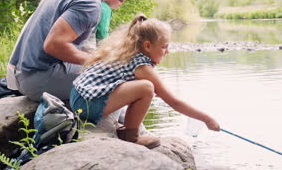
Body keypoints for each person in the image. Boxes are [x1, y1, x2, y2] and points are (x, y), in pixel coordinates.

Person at [6, 0, 144, 101]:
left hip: (19, 73)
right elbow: (53, 45)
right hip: (36, 78)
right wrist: (100, 61)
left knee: (117, 69)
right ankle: (116, 125)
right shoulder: (89, 4)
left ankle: (117, 120)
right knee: (128, 79)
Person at [70, 14, 220, 149]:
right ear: (147, 46)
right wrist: (207, 119)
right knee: (146, 88)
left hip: (77, 96)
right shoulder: (142, 67)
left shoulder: (127, 52)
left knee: (144, 88)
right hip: (86, 105)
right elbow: (174, 102)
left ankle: (126, 129)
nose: (167, 51)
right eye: (164, 47)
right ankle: (133, 138)